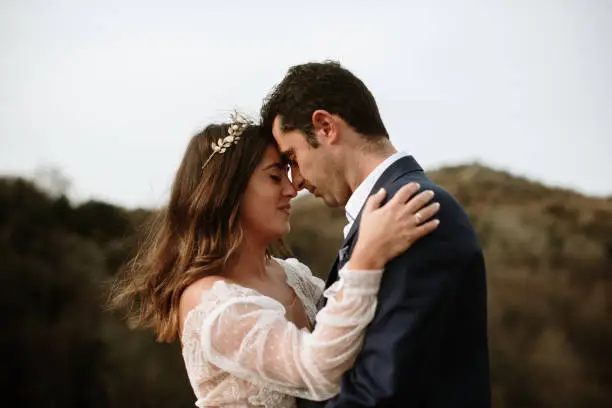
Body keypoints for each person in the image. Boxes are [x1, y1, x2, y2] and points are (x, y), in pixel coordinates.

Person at [110, 114, 440, 407]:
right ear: (228, 190)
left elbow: (353, 338)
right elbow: (317, 371)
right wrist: (366, 257)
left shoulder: (293, 276)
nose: (292, 189)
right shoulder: (211, 303)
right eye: (274, 176)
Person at [260, 61, 491, 408]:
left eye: (293, 158)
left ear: (325, 127)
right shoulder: (385, 211)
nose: (296, 181)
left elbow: (383, 392)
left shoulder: (413, 209)